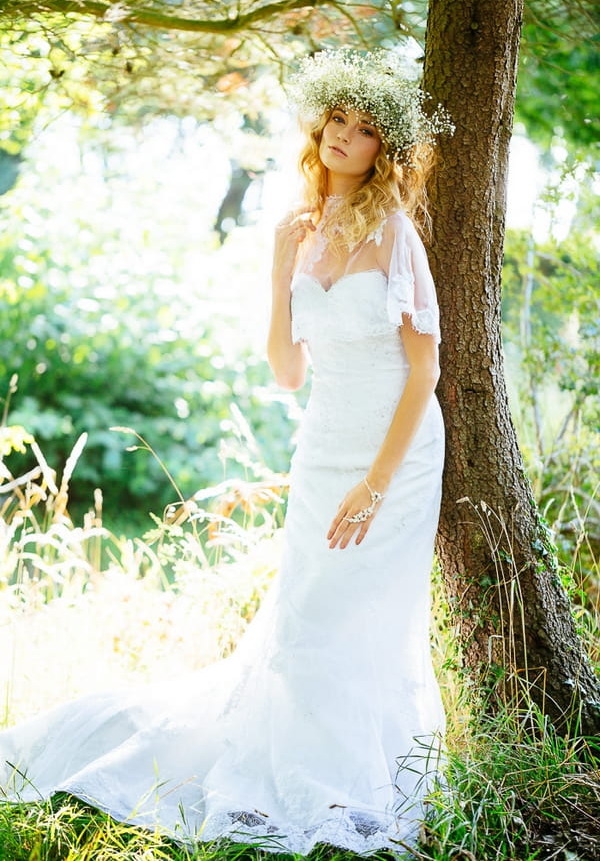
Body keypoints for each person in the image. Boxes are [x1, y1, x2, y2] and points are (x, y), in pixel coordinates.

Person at [0, 48, 454, 856]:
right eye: (336, 121)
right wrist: (281, 269)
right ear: (317, 128)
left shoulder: (396, 238)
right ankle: (295, 766)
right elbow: (286, 373)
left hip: (399, 450)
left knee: (363, 615)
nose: (345, 136)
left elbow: (426, 369)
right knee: (307, 610)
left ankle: (351, 783)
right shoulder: (297, 234)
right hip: (324, 442)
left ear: (384, 147)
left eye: (364, 127)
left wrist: (377, 486)